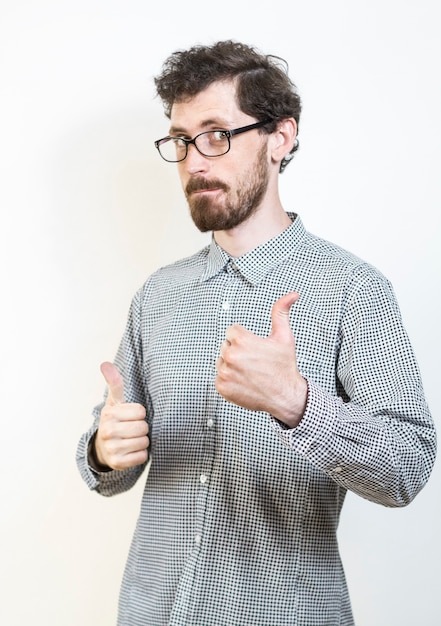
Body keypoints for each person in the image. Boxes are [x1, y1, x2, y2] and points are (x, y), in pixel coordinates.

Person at [76, 40, 436, 626]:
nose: (194, 162)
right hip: (149, 610)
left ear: (280, 138)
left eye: (217, 134)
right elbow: (112, 459)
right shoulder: (158, 296)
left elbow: (409, 468)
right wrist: (103, 450)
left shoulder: (353, 289)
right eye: (181, 140)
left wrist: (297, 405)